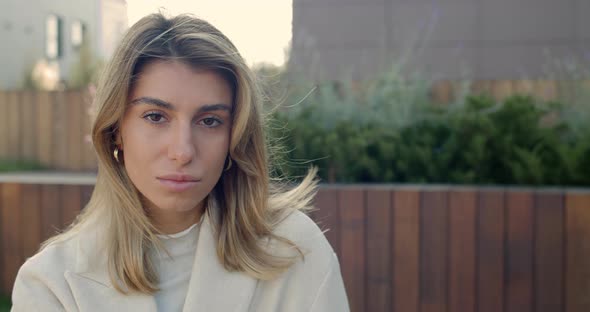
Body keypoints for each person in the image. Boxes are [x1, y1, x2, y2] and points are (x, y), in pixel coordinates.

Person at [11, 13, 349, 312]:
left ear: (235, 136)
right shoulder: (52, 283)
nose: (183, 151)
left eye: (210, 121)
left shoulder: (295, 249)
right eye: (156, 116)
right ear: (116, 130)